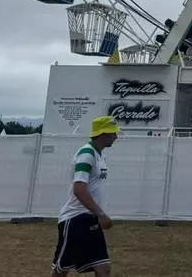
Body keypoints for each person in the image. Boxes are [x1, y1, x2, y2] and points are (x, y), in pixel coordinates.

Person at [52, 116, 120, 277]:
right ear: (102, 133)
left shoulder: (100, 155)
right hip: (76, 219)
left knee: (103, 267)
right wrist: (101, 214)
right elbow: (79, 189)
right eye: (112, 133)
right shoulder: (87, 154)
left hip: (91, 219)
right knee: (62, 269)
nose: (116, 137)